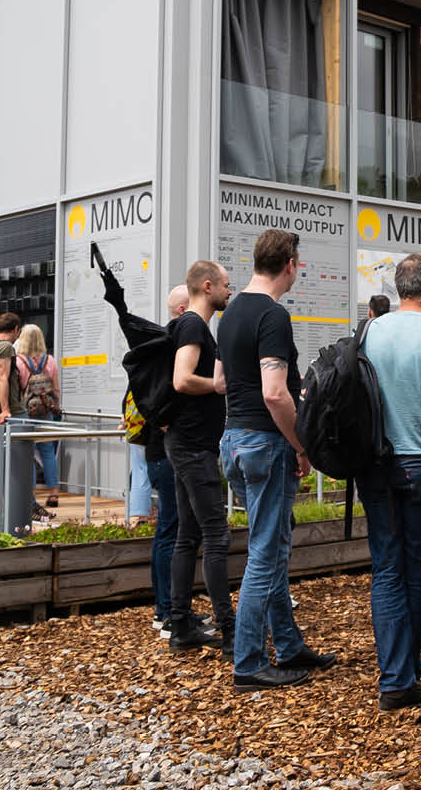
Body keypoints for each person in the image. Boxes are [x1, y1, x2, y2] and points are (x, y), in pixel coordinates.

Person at [220, 229, 336, 691]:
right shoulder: (273, 315)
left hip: (233, 439)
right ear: (289, 264)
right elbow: (275, 393)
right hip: (265, 443)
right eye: (298, 263)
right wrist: (302, 443)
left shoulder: (229, 314)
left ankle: (287, 646)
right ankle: (248, 662)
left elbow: (223, 380)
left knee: (272, 545)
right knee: (265, 555)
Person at [360, 253, 421, 711]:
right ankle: (403, 675)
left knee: (386, 570)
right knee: (418, 571)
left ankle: (395, 673)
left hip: (376, 464)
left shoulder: (370, 331)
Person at [162, 261, 237, 657]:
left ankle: (180, 624)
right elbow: (181, 379)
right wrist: (217, 385)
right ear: (207, 286)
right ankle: (229, 630)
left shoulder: (185, 326)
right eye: (225, 284)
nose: (230, 290)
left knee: (188, 535)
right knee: (216, 535)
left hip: (185, 442)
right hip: (192, 446)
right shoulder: (192, 326)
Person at [131, 288, 188, 527]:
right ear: (183, 310)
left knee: (169, 522)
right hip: (165, 446)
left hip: (156, 441)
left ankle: (137, 516)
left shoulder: (159, 343)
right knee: (171, 523)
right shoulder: (171, 345)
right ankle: (138, 516)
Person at [15, 325, 61, 508]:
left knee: (28, 452)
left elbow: (17, 389)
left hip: (26, 411)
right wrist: (55, 406)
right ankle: (54, 493)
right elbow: (55, 388)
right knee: (48, 450)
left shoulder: (19, 361)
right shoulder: (50, 360)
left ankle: (30, 493)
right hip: (45, 411)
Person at [0, 311, 24, 425]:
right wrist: (5, 410)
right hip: (13, 412)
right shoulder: (6, 347)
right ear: (16, 329)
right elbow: (2, 378)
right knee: (23, 442)